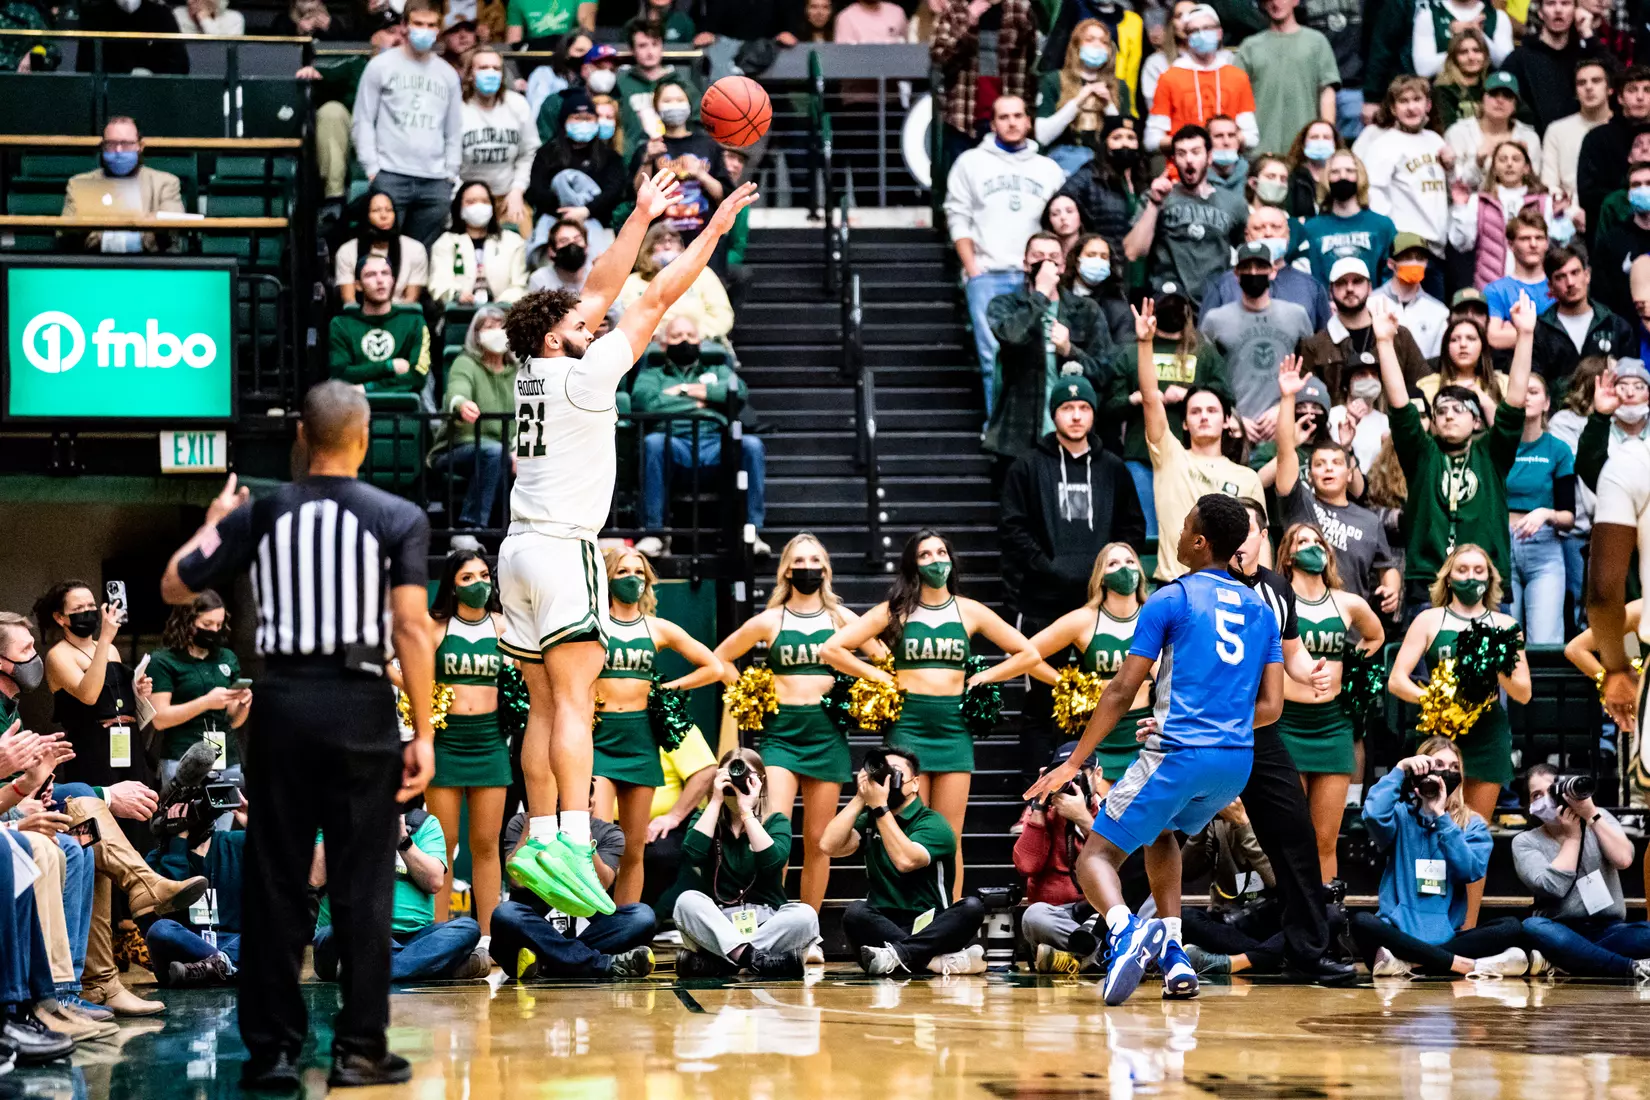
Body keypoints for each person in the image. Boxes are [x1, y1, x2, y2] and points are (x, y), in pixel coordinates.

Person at [490, 174, 756, 924]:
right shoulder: (587, 378)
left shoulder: (532, 372)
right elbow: (654, 298)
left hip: (515, 553)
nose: (594, 325)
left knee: (543, 706)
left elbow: (601, 290)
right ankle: (575, 837)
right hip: (564, 549)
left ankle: (541, 833)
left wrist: (639, 214)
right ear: (559, 337)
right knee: (577, 700)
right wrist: (712, 230)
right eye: (581, 325)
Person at [161, 382, 437, 1091]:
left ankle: (275, 1055)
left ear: (302, 439)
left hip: (281, 703)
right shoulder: (397, 516)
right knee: (364, 885)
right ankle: (359, 1051)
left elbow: (172, 586)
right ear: (365, 435)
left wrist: (214, 520)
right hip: (363, 703)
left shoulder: (262, 514)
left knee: (277, 882)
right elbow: (410, 628)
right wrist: (425, 732)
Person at [1024, 493, 1286, 1005]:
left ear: (1199, 540)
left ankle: (1125, 935)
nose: (1179, 532)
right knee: (1162, 834)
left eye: (1186, 524)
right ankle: (1174, 957)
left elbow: (1121, 690)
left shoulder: (1171, 598)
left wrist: (1074, 762)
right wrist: (1220, 725)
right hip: (1235, 762)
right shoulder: (1260, 607)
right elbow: (1272, 705)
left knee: (1096, 857)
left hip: (1179, 752)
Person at [822, 530, 1039, 897]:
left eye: (942, 552)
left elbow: (1028, 654)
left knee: (949, 835)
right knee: (902, 825)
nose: (936, 559)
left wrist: (985, 675)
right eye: (926, 554)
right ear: (913, 564)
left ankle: (948, 919)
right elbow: (832, 649)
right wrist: (880, 674)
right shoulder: (896, 611)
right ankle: (904, 910)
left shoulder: (969, 610)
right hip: (907, 727)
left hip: (953, 729)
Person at [712, 536, 880, 911]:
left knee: (820, 840)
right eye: (800, 560)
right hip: (781, 736)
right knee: (776, 834)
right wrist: (747, 692)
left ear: (826, 568)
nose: (808, 567)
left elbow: (883, 660)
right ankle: (772, 918)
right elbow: (719, 657)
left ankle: (808, 930)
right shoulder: (770, 620)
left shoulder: (844, 619)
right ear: (786, 569)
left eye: (816, 560)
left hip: (827, 734)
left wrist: (860, 694)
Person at [998, 380, 1147, 777]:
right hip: (1043, 604)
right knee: (1041, 702)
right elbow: (1013, 528)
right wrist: (1049, 567)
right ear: (1054, 413)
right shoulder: (1028, 465)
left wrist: (1107, 570)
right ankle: (1033, 805)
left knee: (1108, 695)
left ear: (1094, 413)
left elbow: (1133, 527)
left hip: (1101, 606)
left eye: (1084, 406)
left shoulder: (1113, 466)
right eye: (1067, 407)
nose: (1076, 415)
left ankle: (1092, 786)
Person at [1388, 544, 1533, 925]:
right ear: (1449, 577)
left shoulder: (1505, 626)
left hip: (1486, 735)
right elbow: (1397, 680)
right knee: (1430, 830)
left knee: (1472, 836)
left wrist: (1497, 666)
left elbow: (1523, 691)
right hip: (1442, 739)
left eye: (1479, 570)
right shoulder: (1429, 620)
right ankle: (1428, 924)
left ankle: (1467, 928)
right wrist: (1434, 699)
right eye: (1463, 569)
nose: (1471, 576)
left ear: (1490, 579)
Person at [1378, 291, 1533, 616]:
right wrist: (1384, 342)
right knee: (1423, 667)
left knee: (1490, 668)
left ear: (1477, 420)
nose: (1449, 414)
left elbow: (1515, 402)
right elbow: (1399, 404)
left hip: (1487, 580)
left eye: (1459, 409)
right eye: (1442, 410)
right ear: (1432, 422)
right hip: (1427, 580)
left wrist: (1525, 335)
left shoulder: (1491, 453)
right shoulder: (1421, 454)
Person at [591, 549, 724, 906]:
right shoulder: (592, 624)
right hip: (599, 738)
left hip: (641, 739)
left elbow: (713, 667)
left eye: (638, 571)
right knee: (599, 841)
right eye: (622, 570)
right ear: (607, 577)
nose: (632, 577)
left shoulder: (657, 628)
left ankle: (625, 929)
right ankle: (592, 921)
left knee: (634, 850)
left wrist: (665, 690)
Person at [1348, 740, 1531, 978]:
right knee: (1362, 922)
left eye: (1455, 767)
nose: (1447, 773)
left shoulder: (1472, 824)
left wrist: (1442, 818)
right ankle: (1466, 965)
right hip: (1398, 934)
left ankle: (1413, 965)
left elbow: (1470, 871)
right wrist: (1400, 769)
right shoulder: (1402, 814)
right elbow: (1373, 814)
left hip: (1444, 937)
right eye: (1439, 765)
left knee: (1511, 928)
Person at [987, 544, 1156, 790]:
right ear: (1100, 576)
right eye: (1113, 564)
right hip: (1101, 734)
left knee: (1151, 821)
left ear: (1140, 572)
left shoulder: (1156, 614)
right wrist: (1065, 684)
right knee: (1101, 819)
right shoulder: (1084, 619)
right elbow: (1024, 652)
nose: (1124, 569)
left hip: (1144, 731)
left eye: (1130, 562)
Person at [1272, 522, 1383, 885]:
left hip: (1333, 725)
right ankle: (1289, 916)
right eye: (1302, 541)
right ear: (1287, 556)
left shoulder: (1347, 602)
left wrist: (1349, 667)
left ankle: (1326, 923)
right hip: (1288, 723)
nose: (1312, 546)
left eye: (1318, 541)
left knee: (1325, 839)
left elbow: (1375, 635)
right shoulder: (1276, 600)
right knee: (1291, 836)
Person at [945, 95, 1067, 419]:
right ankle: (996, 428)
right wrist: (973, 268)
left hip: (1037, 276)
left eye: (1018, 115)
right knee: (993, 357)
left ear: (1029, 121)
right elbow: (957, 217)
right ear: (993, 122)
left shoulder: (1049, 168)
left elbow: (1061, 223)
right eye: (1003, 116)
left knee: (1042, 354)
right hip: (989, 274)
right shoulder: (970, 163)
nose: (1012, 122)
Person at [820, 746, 989, 975]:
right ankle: (932, 962)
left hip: (930, 926)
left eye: (895, 773)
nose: (888, 780)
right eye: (882, 774)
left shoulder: (933, 823)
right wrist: (861, 797)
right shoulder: (870, 818)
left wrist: (880, 808)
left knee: (972, 907)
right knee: (856, 912)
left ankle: (899, 956)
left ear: (916, 783)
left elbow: (906, 861)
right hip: (882, 927)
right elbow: (829, 846)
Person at [1131, 300, 1264, 580]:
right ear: (1184, 423)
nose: (1203, 416)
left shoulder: (1247, 477)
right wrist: (1145, 344)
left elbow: (1257, 546)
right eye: (1195, 411)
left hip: (1227, 589)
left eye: (1212, 410)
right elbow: (1150, 399)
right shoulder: (1169, 456)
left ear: (1227, 421)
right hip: (1173, 585)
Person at [661, 748, 820, 977]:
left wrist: (747, 813)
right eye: (730, 775)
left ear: (762, 782)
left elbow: (772, 863)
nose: (738, 782)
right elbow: (692, 854)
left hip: (768, 922)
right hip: (718, 923)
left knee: (806, 915)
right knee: (686, 901)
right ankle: (755, 960)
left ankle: (725, 962)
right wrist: (715, 800)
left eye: (749, 776)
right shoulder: (706, 819)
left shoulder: (776, 821)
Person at [417, 552, 509, 940]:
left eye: (484, 575)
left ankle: (490, 937)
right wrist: (419, 692)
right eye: (467, 577)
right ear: (452, 586)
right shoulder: (436, 626)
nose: (478, 584)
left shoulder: (504, 627)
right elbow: (390, 658)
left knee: (486, 845)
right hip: (446, 743)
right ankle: (439, 936)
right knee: (446, 844)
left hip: (490, 742)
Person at [1103, 285, 1228, 546]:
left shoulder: (1202, 351)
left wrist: (1188, 395)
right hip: (1141, 456)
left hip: (1192, 458)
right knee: (1144, 532)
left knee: (1193, 533)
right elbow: (1108, 407)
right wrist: (1138, 398)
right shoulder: (1130, 352)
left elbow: (1225, 395)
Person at [629, 315, 763, 554]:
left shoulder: (718, 368)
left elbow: (737, 393)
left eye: (690, 336)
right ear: (662, 344)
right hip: (675, 444)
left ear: (700, 343)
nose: (684, 341)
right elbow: (645, 403)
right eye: (677, 336)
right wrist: (705, 402)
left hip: (715, 445)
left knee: (751, 445)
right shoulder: (653, 373)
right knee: (653, 443)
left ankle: (752, 532)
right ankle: (654, 533)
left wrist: (681, 391)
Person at [311, 810, 489, 984]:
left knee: (468, 928)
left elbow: (434, 882)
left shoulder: (422, 824)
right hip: (352, 933)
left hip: (413, 937)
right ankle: (440, 968)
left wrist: (403, 841)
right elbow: (316, 877)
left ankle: (366, 968)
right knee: (336, 934)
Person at [983, 235, 1114, 462]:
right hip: (1017, 437)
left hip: (1073, 437)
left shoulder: (1086, 310)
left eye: (1053, 257)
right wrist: (1041, 294)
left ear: (1062, 266)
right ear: (1025, 264)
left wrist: (1069, 350)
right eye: (1037, 256)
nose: (1045, 263)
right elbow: (1012, 336)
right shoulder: (1005, 305)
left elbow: (1104, 372)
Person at [1515, 763, 1650, 980]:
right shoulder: (1525, 841)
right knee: (1533, 927)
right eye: (1535, 795)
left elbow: (1624, 859)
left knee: (1646, 933)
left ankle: (1572, 961)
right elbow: (1553, 887)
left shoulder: (1598, 816)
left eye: (1549, 791)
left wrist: (1592, 816)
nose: (1544, 800)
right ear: (1528, 805)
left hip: (1609, 930)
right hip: (1560, 929)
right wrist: (1573, 837)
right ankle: (1628, 967)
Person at [492, 810, 657, 980]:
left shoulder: (608, 832)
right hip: (535, 930)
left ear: (590, 801)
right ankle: (601, 964)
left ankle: (549, 963)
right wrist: (533, 827)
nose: (561, 803)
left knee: (642, 917)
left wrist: (583, 839)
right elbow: (516, 880)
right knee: (506, 913)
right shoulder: (522, 822)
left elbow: (601, 885)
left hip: (581, 934)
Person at [353, 0, 464, 250]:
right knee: (384, 254)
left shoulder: (447, 74)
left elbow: (454, 129)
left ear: (439, 29)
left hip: (435, 181)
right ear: (404, 26)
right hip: (390, 176)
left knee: (422, 260)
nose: (425, 30)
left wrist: (450, 174)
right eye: (418, 23)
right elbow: (363, 121)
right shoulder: (380, 66)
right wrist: (372, 169)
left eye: (431, 25)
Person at [1199, 242, 1316, 446]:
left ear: (1272, 272)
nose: (1253, 273)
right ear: (1236, 274)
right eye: (1247, 268)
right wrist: (1232, 417)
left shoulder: (1296, 315)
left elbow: (1310, 372)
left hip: (1284, 427)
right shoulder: (1215, 320)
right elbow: (1205, 378)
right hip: (1233, 431)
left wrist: (1284, 407)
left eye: (1260, 267)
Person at [1124, 125, 1249, 310]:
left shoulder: (1234, 202)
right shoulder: (1157, 197)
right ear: (1174, 160)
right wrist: (1154, 204)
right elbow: (1133, 251)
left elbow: (1246, 249)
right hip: (1168, 300)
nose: (1188, 159)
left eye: (1195, 152)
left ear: (1209, 157)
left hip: (1215, 301)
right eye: (1181, 154)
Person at [1353, 77, 1453, 296]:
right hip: (1405, 249)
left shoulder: (1435, 139)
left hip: (1436, 247)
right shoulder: (1383, 145)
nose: (1411, 107)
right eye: (1403, 101)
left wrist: (1452, 166)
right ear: (1393, 108)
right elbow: (1374, 194)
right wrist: (1394, 237)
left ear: (1428, 105)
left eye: (1417, 99)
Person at [1014, 741, 1106, 973]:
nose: (1070, 783)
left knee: (1148, 902)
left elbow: (1122, 866)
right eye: (1063, 776)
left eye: (1077, 775)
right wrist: (1038, 806)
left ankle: (1068, 959)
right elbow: (1026, 865)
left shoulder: (1110, 809)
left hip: (1100, 914)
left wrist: (1084, 820)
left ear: (1097, 774)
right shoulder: (1040, 812)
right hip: (1057, 917)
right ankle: (1102, 955)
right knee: (1034, 916)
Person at [145, 592, 251, 790]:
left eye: (219, 625)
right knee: (186, 819)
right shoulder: (163, 660)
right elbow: (160, 719)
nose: (214, 630)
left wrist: (243, 705)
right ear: (187, 621)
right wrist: (206, 702)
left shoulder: (227, 657)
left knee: (228, 817)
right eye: (207, 624)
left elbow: (234, 720)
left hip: (226, 758)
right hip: (183, 758)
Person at [428, 305, 518, 531]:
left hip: (507, 452)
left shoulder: (518, 371)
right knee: (494, 453)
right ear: (476, 335)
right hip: (458, 448)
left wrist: (520, 449)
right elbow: (457, 390)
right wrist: (461, 404)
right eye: (489, 327)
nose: (497, 332)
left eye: (501, 327)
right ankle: (471, 526)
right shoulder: (465, 363)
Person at [1298, 255, 1428, 409]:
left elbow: (1424, 383)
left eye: (1357, 281)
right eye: (1341, 283)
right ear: (1330, 291)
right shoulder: (1314, 346)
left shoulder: (1398, 335)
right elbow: (1307, 400)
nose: (1350, 288)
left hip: (1393, 428)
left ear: (1370, 287)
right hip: (1338, 429)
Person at [1505, 373, 1577, 645]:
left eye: (1533, 392)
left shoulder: (1558, 449)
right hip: (1501, 545)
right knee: (1503, 643)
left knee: (1544, 641)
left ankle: (1543, 691)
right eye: (1520, 391)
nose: (1525, 396)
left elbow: (1569, 517)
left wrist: (1545, 514)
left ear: (1547, 403)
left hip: (1544, 548)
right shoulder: (1497, 443)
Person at [626, 83, 733, 251]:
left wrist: (701, 174)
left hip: (704, 240)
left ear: (689, 105)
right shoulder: (648, 148)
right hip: (661, 243)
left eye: (679, 99)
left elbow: (724, 196)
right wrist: (647, 160)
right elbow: (637, 196)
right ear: (656, 107)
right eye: (667, 101)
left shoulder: (708, 145)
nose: (674, 105)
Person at [525, 90, 627, 259]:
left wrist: (585, 211)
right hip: (554, 219)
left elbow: (613, 191)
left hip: (596, 221)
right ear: (564, 121)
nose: (583, 123)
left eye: (588, 119)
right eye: (577, 118)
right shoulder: (547, 153)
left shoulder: (609, 156)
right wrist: (564, 212)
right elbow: (537, 188)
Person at [60, 117, 183, 255]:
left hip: (151, 266)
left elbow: (172, 228)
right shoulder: (79, 184)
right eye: (111, 144)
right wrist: (141, 230)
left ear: (140, 146)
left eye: (126, 144)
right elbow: (67, 233)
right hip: (95, 266)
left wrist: (101, 232)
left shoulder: (165, 183)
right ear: (102, 146)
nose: (118, 150)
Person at [1145, 5, 1258, 153]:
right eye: (1194, 31)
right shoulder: (1170, 78)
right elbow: (1152, 139)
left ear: (1219, 33)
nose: (1201, 34)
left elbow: (1251, 136)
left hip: (1228, 166)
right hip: (1183, 168)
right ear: (1186, 36)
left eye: (1207, 28)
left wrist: (1226, 141)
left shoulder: (1237, 77)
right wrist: (1189, 145)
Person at [1234, 0, 1339, 159]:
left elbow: (1327, 93)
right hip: (1261, 154)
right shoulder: (1249, 47)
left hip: (1305, 151)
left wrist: (1325, 138)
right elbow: (1235, 97)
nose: (1276, 3)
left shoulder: (1316, 42)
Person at [1198, 205, 1331, 330]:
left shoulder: (1311, 287)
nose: (1268, 233)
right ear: (1247, 236)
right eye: (1258, 228)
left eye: (1276, 227)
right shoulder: (1223, 285)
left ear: (1288, 235)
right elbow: (1203, 342)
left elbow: (1323, 342)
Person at [1501, 0, 1614, 135]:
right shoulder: (1520, 59)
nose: (1558, 10)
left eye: (1565, 3)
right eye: (1550, 4)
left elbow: (1619, 82)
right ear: (1540, 12)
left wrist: (1588, 34)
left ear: (1575, 11)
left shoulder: (1585, 56)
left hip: (1585, 141)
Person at [1531, 246, 1635, 392]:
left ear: (1587, 275)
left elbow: (1631, 378)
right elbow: (1535, 383)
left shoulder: (1615, 326)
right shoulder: (1539, 330)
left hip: (1609, 411)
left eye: (1575, 273)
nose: (1570, 282)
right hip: (1556, 412)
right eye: (1560, 277)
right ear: (1550, 286)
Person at [458, 46, 540, 232]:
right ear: (470, 74)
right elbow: (447, 163)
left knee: (522, 238)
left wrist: (517, 190)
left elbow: (529, 153)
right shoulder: (457, 108)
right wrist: (464, 198)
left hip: (507, 195)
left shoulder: (517, 104)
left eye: (496, 69)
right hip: (466, 196)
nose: (490, 73)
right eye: (483, 68)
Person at [329, 255, 432, 396]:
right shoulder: (341, 324)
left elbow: (417, 377)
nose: (379, 280)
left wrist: (366, 388)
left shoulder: (414, 321)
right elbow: (340, 374)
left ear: (393, 281)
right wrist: (389, 366)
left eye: (385, 273)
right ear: (358, 285)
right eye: (370, 275)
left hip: (403, 411)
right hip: (353, 409)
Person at [1036, 18, 1125, 177]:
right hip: (1059, 162)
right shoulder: (1054, 80)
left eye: (1103, 42)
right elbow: (1042, 137)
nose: (1097, 45)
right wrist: (1077, 102)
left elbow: (1125, 140)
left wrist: (1109, 105)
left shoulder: (1119, 86)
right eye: (1090, 40)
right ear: (1076, 46)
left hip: (1102, 165)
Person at [1055, 116, 1148, 263]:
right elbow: (1060, 202)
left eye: (1131, 138)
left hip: (1139, 269)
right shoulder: (1090, 176)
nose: (1125, 144)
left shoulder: (1143, 181)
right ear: (1105, 143)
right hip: (1104, 265)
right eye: (1117, 138)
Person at [615, 227, 734, 341]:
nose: (667, 246)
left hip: (701, 342)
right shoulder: (633, 282)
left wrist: (692, 334)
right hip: (648, 345)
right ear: (648, 248)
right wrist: (659, 336)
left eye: (673, 241)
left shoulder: (703, 274)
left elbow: (722, 315)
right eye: (660, 242)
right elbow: (626, 317)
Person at [1302, 151, 1398, 290]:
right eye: (1335, 172)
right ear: (1326, 178)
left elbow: (1390, 275)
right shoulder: (1311, 228)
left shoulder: (1382, 226)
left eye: (1350, 171)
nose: (1343, 176)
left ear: (1360, 176)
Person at [615, 20, 704, 160]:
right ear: (632, 49)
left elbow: (699, 125)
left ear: (662, 45)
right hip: (632, 160)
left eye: (655, 44)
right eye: (642, 46)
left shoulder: (681, 84)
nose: (650, 52)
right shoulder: (621, 84)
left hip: (678, 160)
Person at [429, 182, 530, 305]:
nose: (479, 206)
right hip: (461, 312)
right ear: (459, 208)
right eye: (471, 202)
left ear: (492, 207)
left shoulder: (513, 242)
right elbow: (439, 283)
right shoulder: (446, 242)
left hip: (504, 312)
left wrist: (502, 302)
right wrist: (458, 295)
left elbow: (519, 285)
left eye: (484, 201)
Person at [1579, 66, 1650, 238]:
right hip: (1610, 233)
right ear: (1619, 97)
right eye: (1632, 90)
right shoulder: (1598, 139)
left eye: (1647, 90)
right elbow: (1588, 194)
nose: (1640, 97)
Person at [1444, 72, 1543, 194]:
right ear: (1482, 99)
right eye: (1493, 94)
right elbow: (1454, 185)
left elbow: (1534, 186)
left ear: (1515, 105)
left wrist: (1525, 166)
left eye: (1507, 96)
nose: (1500, 100)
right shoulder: (1458, 132)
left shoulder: (1529, 137)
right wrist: (1477, 163)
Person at [335, 191, 430, 306]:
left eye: (389, 210)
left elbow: (411, 300)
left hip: (400, 315)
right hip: (361, 317)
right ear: (365, 215)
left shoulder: (415, 249)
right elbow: (349, 301)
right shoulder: (347, 251)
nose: (384, 216)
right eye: (376, 211)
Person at [1541, 59, 1612, 210]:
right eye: (1581, 83)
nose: (1588, 87)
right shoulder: (1557, 130)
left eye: (1596, 81)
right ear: (1575, 92)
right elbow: (1550, 184)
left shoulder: (1621, 127)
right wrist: (1572, 213)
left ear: (1609, 89)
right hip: (1569, 218)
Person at [1372, 233, 1451, 358]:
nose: (1414, 263)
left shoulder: (1439, 312)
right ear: (1391, 264)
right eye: (1407, 258)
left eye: (1420, 258)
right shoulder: (1371, 303)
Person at [1415, 316, 1507, 421]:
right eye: (1454, 340)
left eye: (1471, 339)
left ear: (1483, 346)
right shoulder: (1427, 385)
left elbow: (1510, 433)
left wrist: (1487, 405)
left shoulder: (1503, 383)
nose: (1463, 344)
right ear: (1446, 347)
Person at [75, 0, 187, 74]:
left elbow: (180, 65)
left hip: (155, 98)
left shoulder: (162, 15)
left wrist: (154, 78)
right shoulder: (93, 16)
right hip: (109, 100)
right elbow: (84, 67)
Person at [1411, 0, 1513, 80]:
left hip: (1488, 92)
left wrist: (1480, 36)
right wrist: (1457, 42)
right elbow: (1423, 70)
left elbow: (1506, 64)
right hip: (1443, 93)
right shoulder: (1428, 16)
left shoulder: (1498, 17)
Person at [1429, 28, 1491, 131]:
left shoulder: (1494, 88)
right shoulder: (1442, 90)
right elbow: (1448, 130)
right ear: (1453, 58)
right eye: (1463, 52)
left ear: (1485, 55)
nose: (1471, 57)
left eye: (1477, 50)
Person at [1285, 120, 1343, 219]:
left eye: (1326, 137)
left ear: (1335, 144)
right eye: (1314, 137)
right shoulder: (1293, 176)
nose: (1320, 142)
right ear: (1303, 144)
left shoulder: (1344, 176)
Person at [528, 219, 593, 294]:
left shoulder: (596, 275)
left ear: (586, 247)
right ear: (552, 251)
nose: (572, 243)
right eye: (564, 241)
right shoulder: (540, 279)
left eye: (577, 240)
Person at [505, 0, 593, 45]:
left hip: (569, 51)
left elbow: (586, 36)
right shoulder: (517, 1)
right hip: (535, 55)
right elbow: (513, 44)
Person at [1206, 114, 1251, 198]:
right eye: (1219, 136)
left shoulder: (1251, 175)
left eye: (1231, 135)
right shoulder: (1197, 178)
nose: (1226, 142)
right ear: (1207, 143)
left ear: (1238, 141)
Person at [172, 0, 242, 34]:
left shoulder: (234, 18)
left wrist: (205, 20)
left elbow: (220, 50)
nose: (191, 2)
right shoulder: (177, 14)